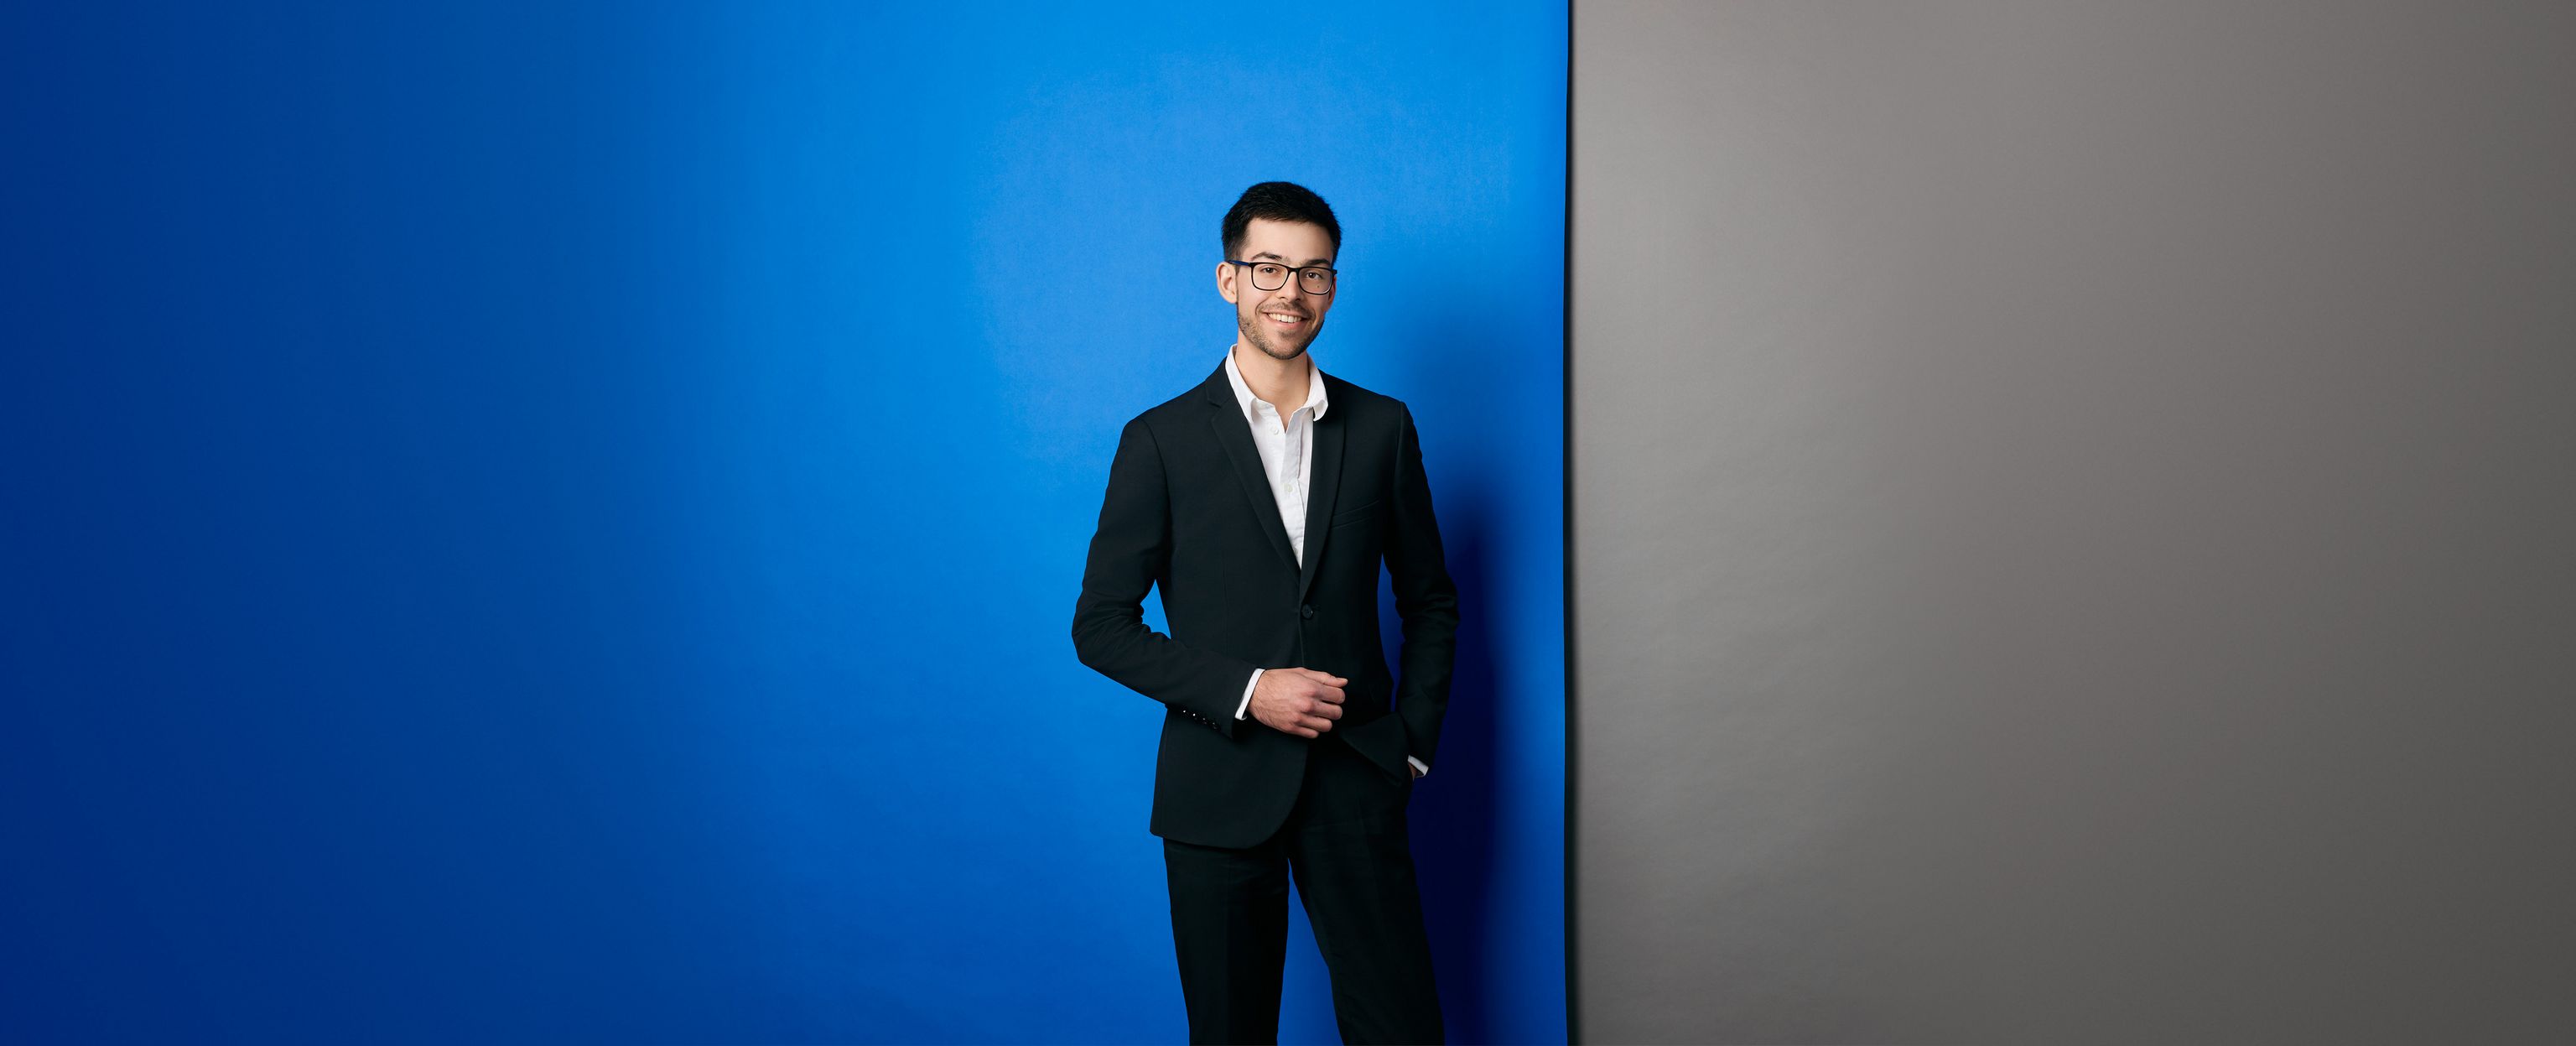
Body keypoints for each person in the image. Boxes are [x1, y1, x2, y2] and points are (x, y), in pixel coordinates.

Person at [1072, 181, 1458, 1044]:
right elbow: (1100, 626)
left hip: (1357, 773)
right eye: (1270, 268)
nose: (1292, 290)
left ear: (1332, 286)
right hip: (1217, 780)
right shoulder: (1160, 440)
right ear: (1229, 280)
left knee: (1400, 1026)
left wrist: (1412, 743)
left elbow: (1431, 598)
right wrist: (1250, 690)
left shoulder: (1383, 427)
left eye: (1314, 272)